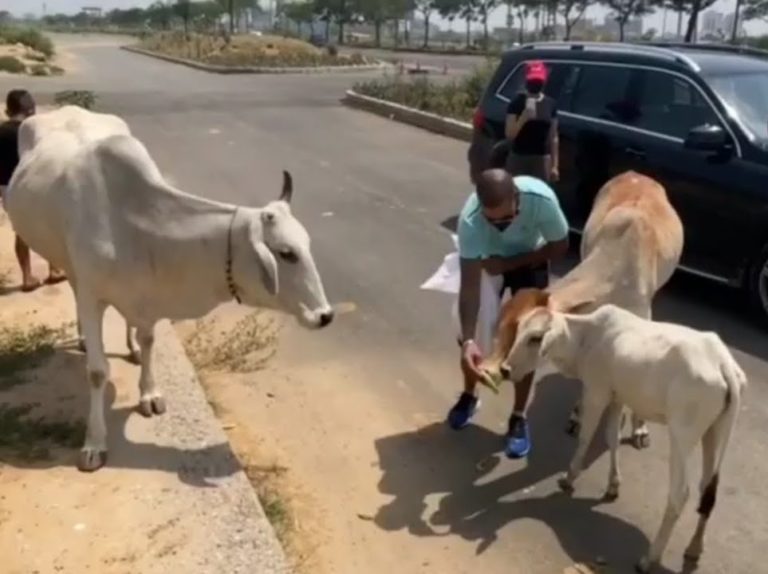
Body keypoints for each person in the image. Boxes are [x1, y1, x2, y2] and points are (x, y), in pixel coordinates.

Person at [447, 166, 569, 459]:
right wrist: (467, 342)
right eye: (494, 222)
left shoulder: (541, 200)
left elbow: (560, 247)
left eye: (506, 219)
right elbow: (469, 287)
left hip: (531, 258)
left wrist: (512, 264)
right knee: (472, 332)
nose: (501, 226)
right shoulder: (471, 222)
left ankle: (518, 417)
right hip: (488, 262)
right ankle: (469, 395)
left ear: (517, 199)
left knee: (526, 337)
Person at [0, 89, 66, 291]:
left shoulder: (1, 131)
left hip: (8, 188)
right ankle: (54, 270)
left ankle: (27, 277)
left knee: (21, 232)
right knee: (50, 227)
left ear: (7, 110)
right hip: (33, 185)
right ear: (31, 110)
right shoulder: (32, 132)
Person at [504, 60, 559, 183]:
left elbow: (554, 136)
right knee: (516, 194)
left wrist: (555, 165)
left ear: (543, 81)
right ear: (527, 81)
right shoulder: (516, 103)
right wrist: (523, 118)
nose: (535, 84)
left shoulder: (550, 103)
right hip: (519, 157)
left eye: (538, 81)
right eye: (533, 81)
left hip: (542, 159)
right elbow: (509, 134)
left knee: (539, 195)